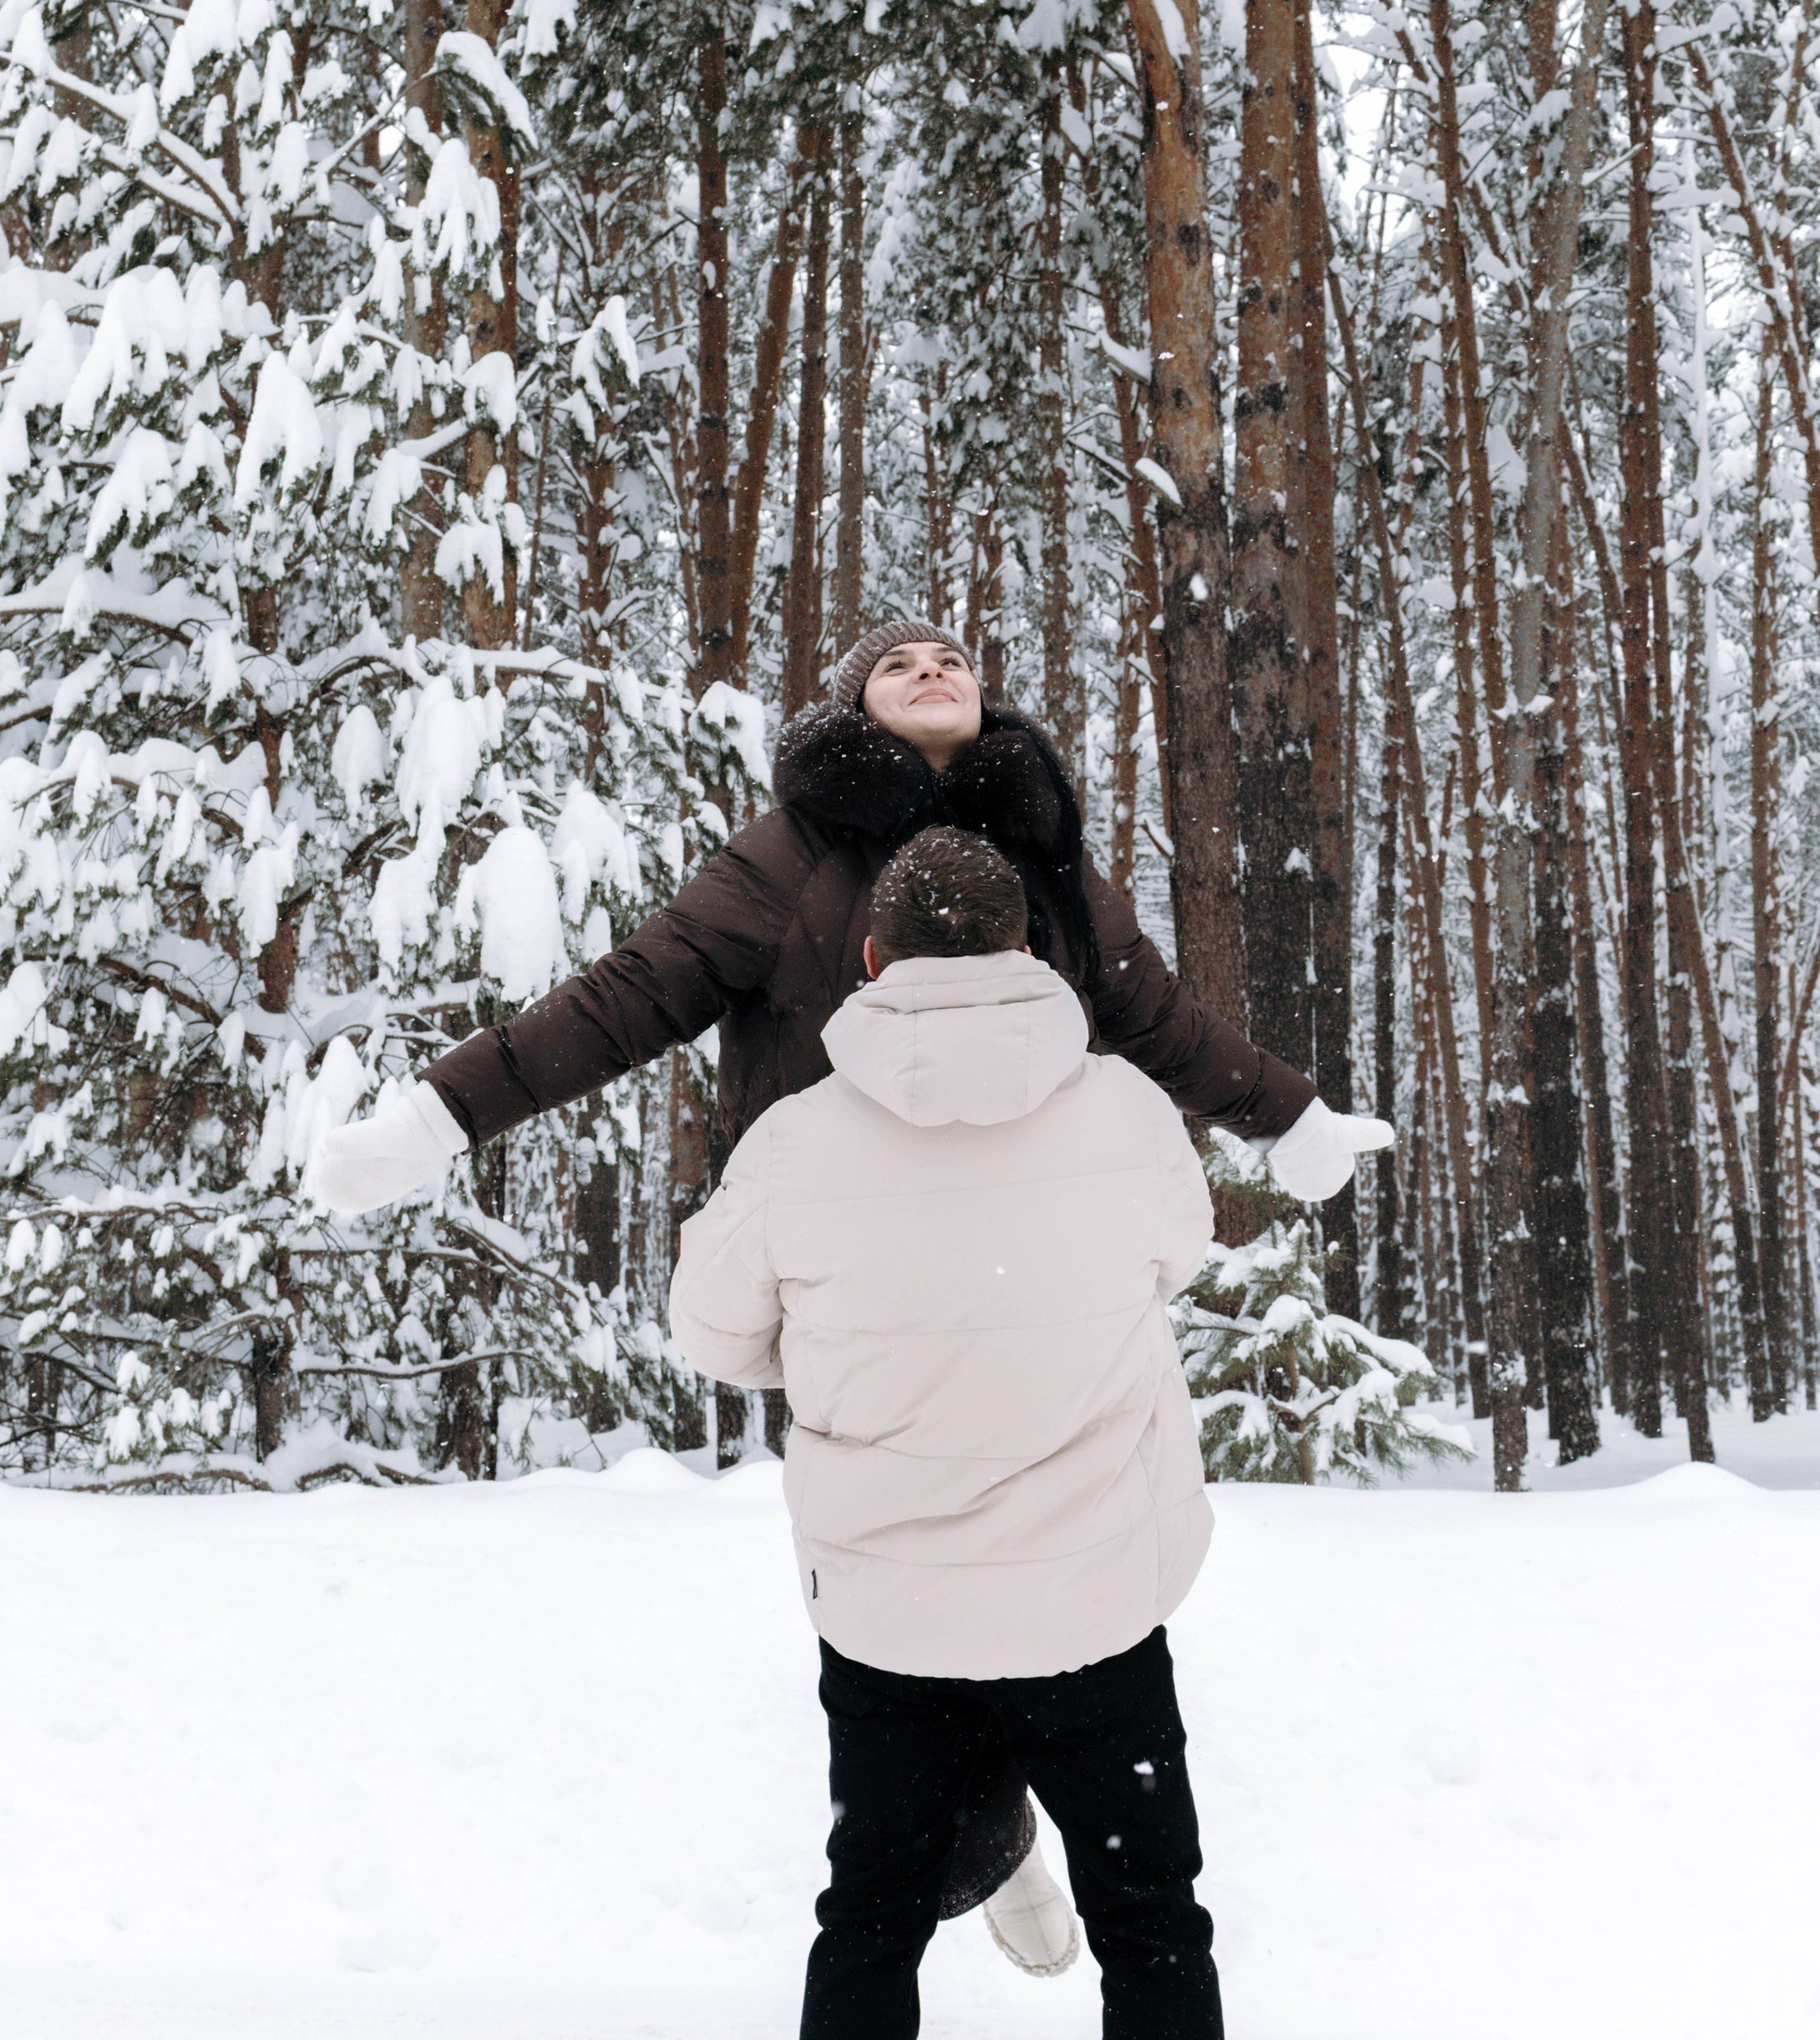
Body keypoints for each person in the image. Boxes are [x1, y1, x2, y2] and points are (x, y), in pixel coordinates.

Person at [311, 618, 1391, 1964]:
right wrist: (440, 1114)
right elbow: (624, 999)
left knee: (997, 1578)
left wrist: (1291, 1119)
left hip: (1024, 1284)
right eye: (897, 664)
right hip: (849, 1276)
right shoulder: (786, 862)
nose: (933, 668)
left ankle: (981, 1838)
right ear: (855, 712)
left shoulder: (1041, 854)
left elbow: (1152, 1014)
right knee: (943, 1577)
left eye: (953, 657)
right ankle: (994, 1840)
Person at [670, 826, 1225, 2039]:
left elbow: (711, 1335)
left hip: (892, 1621)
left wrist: (828, 1355)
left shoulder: (796, 1144)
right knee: (1151, 1916)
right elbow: (1172, 1259)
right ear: (1032, 952)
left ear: (872, 959)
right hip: (1096, 1608)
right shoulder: (1127, 1111)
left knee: (872, 1912)